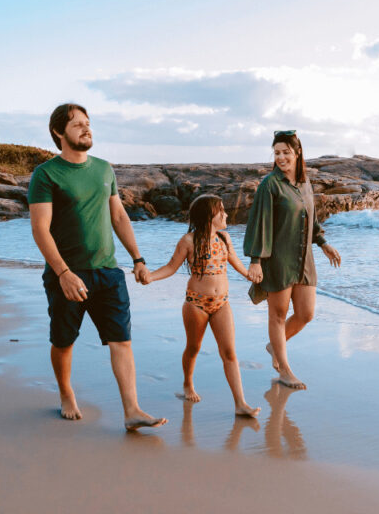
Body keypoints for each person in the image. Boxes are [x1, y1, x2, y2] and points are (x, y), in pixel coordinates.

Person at [27, 103, 166, 431]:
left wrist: (138, 258)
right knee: (64, 342)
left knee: (122, 341)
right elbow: (39, 229)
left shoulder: (104, 169)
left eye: (88, 123)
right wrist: (63, 273)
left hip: (108, 271)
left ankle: (132, 410)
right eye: (77, 125)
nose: (86, 129)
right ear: (59, 133)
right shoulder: (46, 175)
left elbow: (118, 216)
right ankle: (66, 393)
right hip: (68, 275)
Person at [145, 194, 260, 417]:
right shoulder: (188, 240)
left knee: (229, 353)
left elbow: (236, 264)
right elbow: (171, 267)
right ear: (210, 216)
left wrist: (252, 275)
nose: (226, 214)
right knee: (194, 348)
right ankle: (188, 383)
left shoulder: (225, 238)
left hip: (222, 303)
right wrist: (150, 276)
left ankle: (240, 403)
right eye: (222, 210)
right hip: (196, 303)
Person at [244, 130, 341, 390]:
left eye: (286, 152)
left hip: (303, 258)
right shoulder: (270, 185)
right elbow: (259, 223)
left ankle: (274, 346)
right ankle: (285, 370)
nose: (281, 157)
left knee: (306, 314)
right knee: (278, 314)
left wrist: (323, 243)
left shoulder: (305, 183)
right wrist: (256, 260)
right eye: (277, 153)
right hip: (277, 258)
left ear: (298, 153)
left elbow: (312, 218)